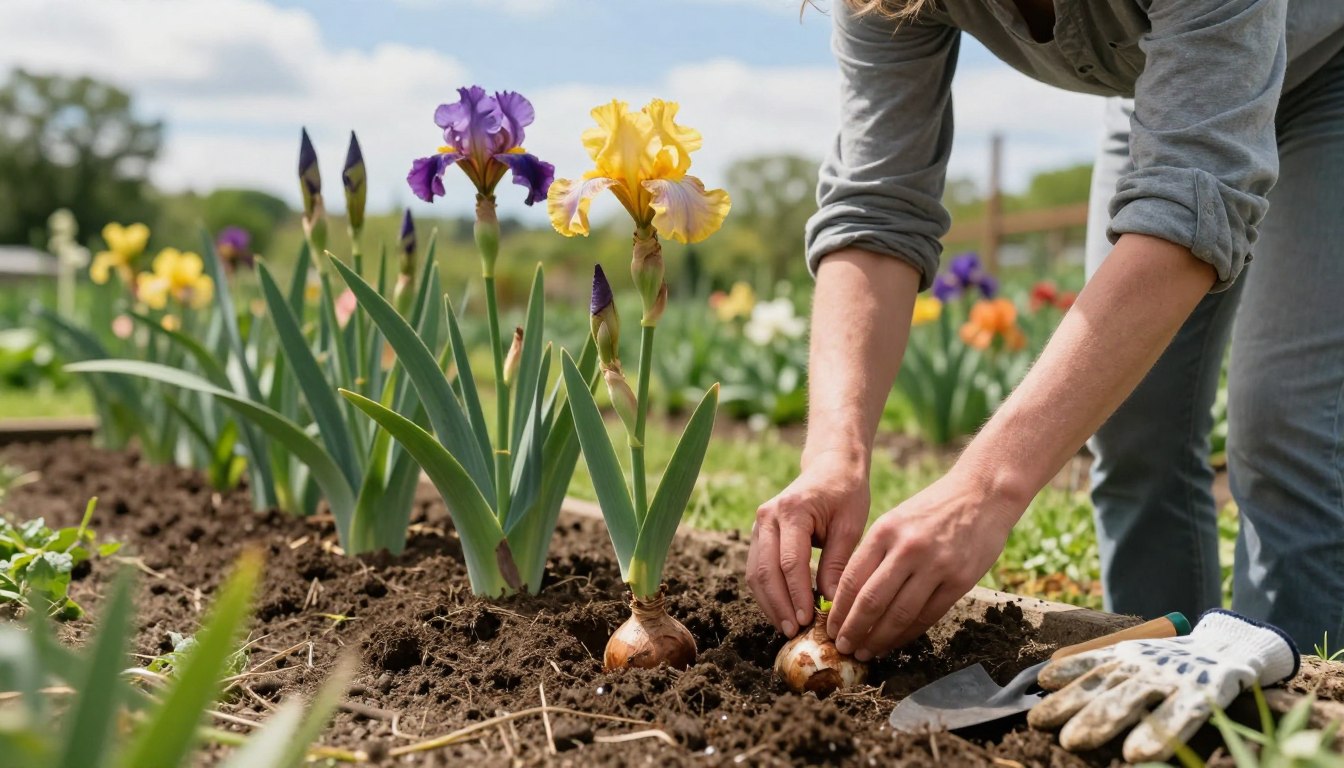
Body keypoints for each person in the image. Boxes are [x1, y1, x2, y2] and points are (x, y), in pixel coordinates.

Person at [747, 0, 1344, 666]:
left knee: (1288, 428)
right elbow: (877, 201)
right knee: (1134, 425)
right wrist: (834, 452)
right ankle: (1146, 688)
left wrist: (984, 489)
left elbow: (1192, 201)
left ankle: (1297, 729)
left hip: (1329, 75)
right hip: (1160, 82)